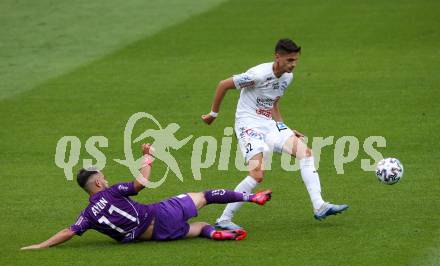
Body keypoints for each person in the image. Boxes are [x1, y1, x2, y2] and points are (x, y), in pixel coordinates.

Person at [201, 38, 348, 230]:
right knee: (257, 174)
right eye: (289, 60)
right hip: (248, 126)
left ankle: (319, 205)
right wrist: (213, 114)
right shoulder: (258, 75)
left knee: (306, 154)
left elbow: (273, 103)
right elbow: (223, 85)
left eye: (295, 60)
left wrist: (283, 128)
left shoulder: (287, 77)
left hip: (270, 125)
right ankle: (224, 219)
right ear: (277, 57)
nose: (293, 64)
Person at [21, 144, 272, 250]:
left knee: (201, 226)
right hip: (161, 214)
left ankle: (217, 233)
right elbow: (141, 182)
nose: (106, 180)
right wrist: (148, 156)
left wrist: (41, 245)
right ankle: (252, 198)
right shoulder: (112, 191)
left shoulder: (87, 215)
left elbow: (69, 232)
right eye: (104, 178)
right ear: (98, 183)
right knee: (204, 196)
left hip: (154, 237)